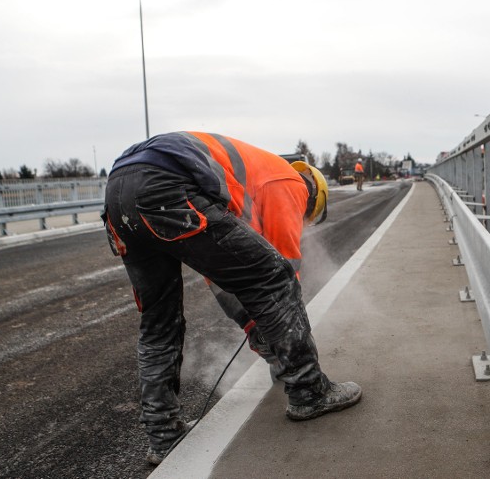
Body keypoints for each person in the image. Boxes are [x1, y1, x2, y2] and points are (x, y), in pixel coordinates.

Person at [101, 131, 362, 465]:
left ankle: (164, 435)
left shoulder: (250, 181)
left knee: (159, 322)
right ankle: (309, 391)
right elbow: (279, 275)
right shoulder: (291, 181)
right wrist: (281, 347)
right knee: (275, 275)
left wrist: (257, 329)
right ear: (314, 196)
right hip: (164, 182)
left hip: (118, 190)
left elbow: (224, 273)